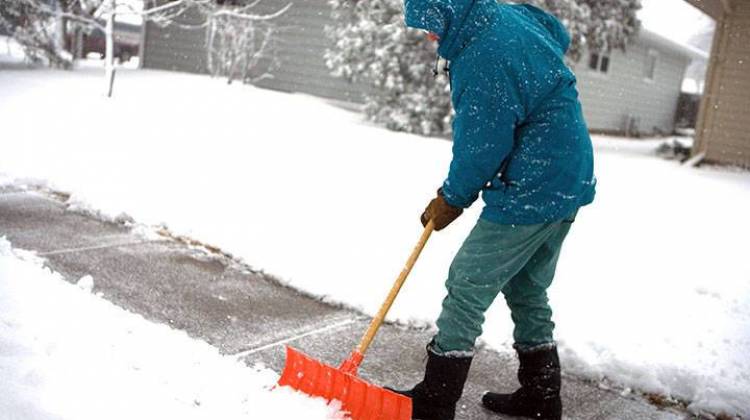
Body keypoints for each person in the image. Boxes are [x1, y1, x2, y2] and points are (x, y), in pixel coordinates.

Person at [388, 1, 597, 419]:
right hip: (570, 173)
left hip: (534, 183)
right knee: (526, 287)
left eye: (430, 25)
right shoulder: (499, 16)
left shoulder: (483, 56)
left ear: (446, 13)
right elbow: (553, 31)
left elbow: (483, 143)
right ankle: (542, 394)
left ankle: (434, 403)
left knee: (467, 282)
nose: (429, 36)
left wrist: (452, 197)